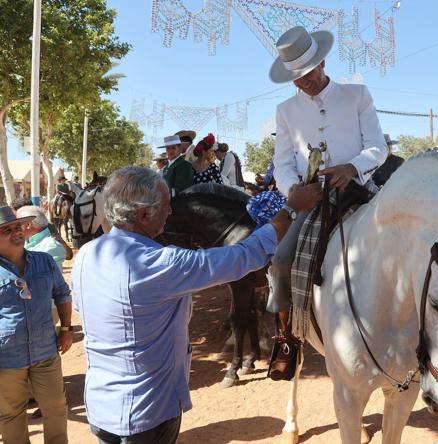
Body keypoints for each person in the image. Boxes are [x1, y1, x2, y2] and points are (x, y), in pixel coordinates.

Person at [71, 166, 321, 443]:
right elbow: (244, 255)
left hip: (101, 405)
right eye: (167, 207)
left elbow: (84, 310)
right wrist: (292, 209)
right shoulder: (160, 263)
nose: (170, 213)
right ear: (143, 214)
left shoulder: (85, 255)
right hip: (145, 413)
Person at [266, 26, 387, 326]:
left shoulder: (356, 94)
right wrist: (294, 191)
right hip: (312, 198)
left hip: (358, 188)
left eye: (309, 72)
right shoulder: (285, 111)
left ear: (322, 63)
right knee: (281, 262)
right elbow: (281, 163)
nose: (304, 82)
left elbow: (377, 146)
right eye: (296, 76)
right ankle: (287, 335)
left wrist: (353, 167)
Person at [0, 206, 72, 444]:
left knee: (56, 408)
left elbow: (62, 294)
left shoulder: (44, 261)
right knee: (11, 416)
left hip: (45, 352)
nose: (16, 232)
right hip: (6, 359)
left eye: (17, 227)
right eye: (6, 230)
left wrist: (66, 329)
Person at [16, 206, 67, 271]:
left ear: (28, 225)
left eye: (18, 225)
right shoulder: (25, 242)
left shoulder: (50, 245)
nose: (16, 230)